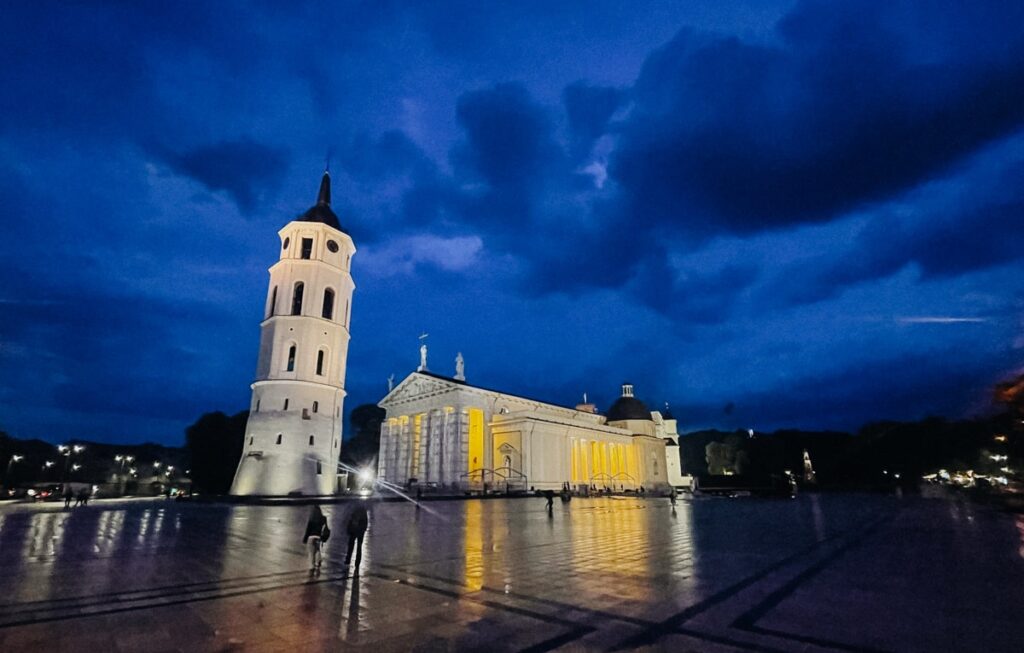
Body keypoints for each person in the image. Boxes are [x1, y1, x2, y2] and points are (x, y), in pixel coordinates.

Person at [345, 504, 369, 573]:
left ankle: (348, 560)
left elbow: (351, 520)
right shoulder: (363, 512)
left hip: (354, 530)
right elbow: (365, 523)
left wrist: (349, 528)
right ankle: (357, 563)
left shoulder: (355, 510)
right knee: (359, 547)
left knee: (351, 545)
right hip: (360, 531)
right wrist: (363, 530)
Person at [303, 505, 328, 572]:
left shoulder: (311, 519)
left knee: (311, 552)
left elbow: (308, 530)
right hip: (318, 537)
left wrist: (305, 539)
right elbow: (326, 528)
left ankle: (311, 566)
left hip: (311, 537)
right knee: (317, 550)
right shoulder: (323, 518)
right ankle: (318, 561)